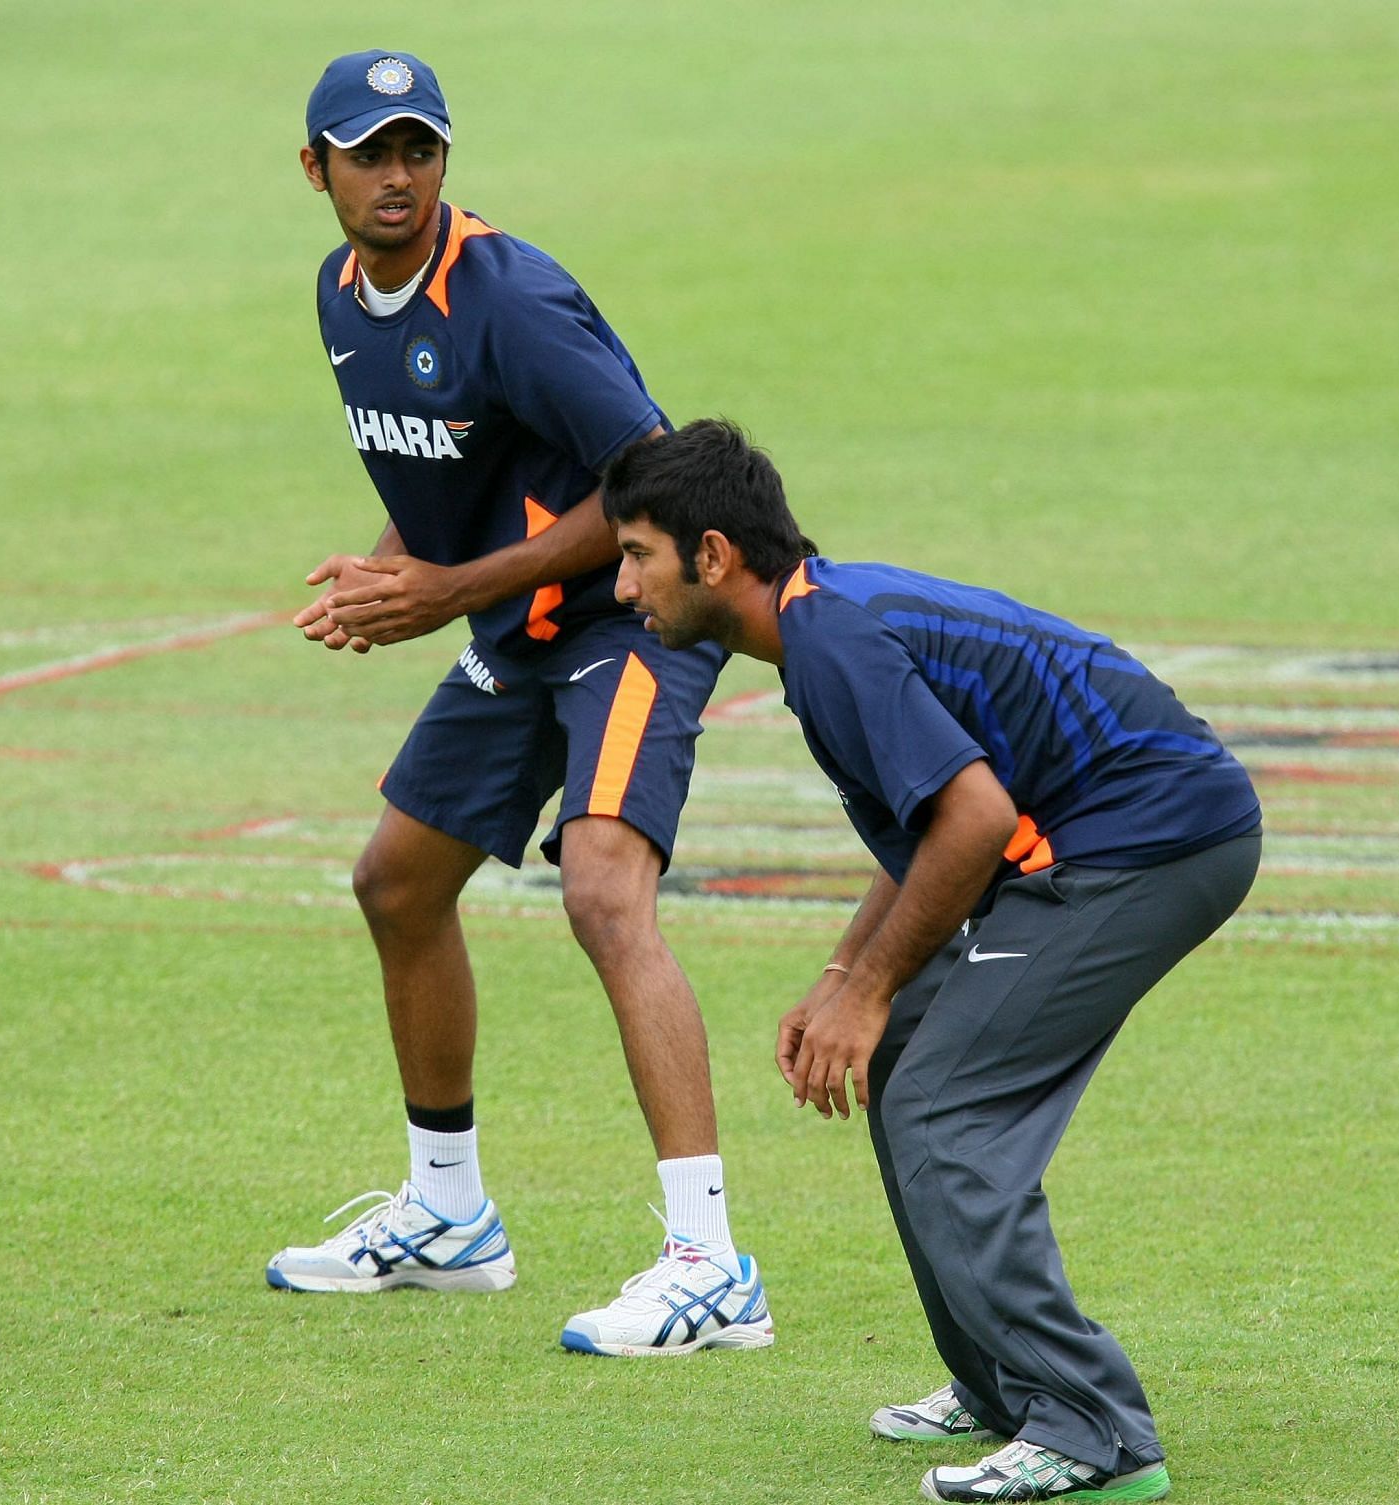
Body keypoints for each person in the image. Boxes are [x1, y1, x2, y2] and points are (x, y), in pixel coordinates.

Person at [602, 419, 1261, 1500]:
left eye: (637, 555)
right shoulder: (821, 628)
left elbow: (976, 818)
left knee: (945, 1101)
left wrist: (868, 989)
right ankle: (1006, 1385)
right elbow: (929, 833)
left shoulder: (833, 642)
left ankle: (1094, 1430)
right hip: (1119, 834)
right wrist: (844, 981)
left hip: (1158, 840)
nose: (627, 587)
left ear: (712, 553)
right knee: (909, 1055)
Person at [263, 51, 773, 1359]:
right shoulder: (340, 294)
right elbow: (446, 470)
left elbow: (651, 480)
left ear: (445, 161)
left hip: (632, 621)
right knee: (398, 883)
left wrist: (442, 592)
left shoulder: (514, 301)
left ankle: (712, 1264)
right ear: (313, 170)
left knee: (604, 892)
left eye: (418, 150)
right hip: (517, 626)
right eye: (368, 154)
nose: (397, 177)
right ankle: (449, 1217)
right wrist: (394, 565)